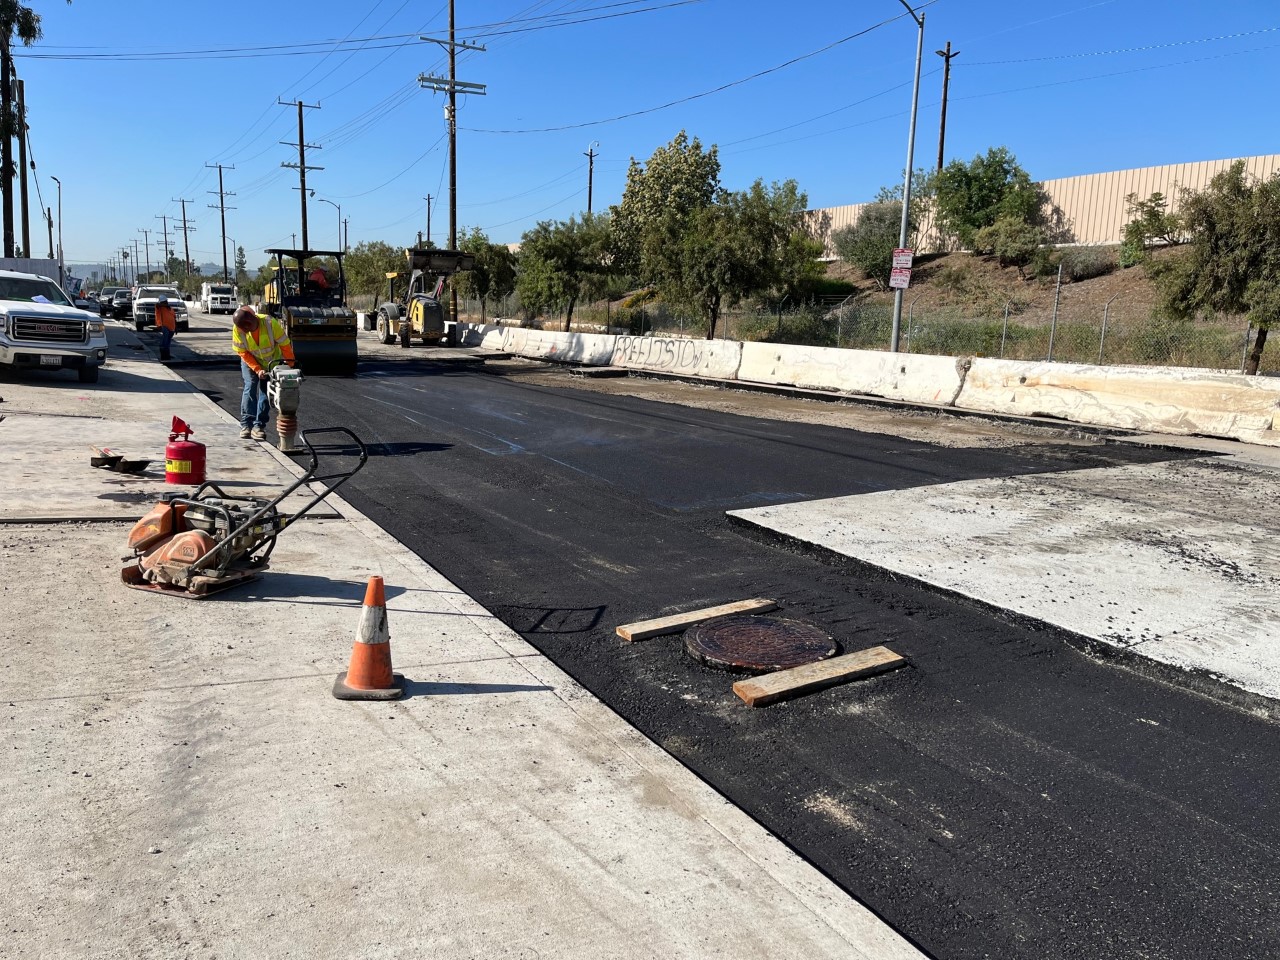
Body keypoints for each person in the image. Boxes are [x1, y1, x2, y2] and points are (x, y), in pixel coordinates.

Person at [232, 305, 295, 440]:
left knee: (265, 391)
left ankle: (258, 426)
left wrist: (290, 365)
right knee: (250, 386)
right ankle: (246, 425)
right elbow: (242, 352)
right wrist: (256, 368)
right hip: (250, 361)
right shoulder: (238, 329)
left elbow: (285, 345)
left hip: (271, 362)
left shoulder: (270, 323)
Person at [154, 295, 177, 362]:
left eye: (165, 302)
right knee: (164, 341)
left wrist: (176, 327)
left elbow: (174, 318)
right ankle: (164, 356)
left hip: (171, 328)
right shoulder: (159, 308)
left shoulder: (171, 309)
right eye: (163, 302)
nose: (164, 303)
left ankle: (167, 355)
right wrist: (163, 304)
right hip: (164, 326)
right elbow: (157, 305)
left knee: (168, 342)